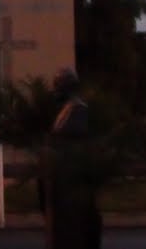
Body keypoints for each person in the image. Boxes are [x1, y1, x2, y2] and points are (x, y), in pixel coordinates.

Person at [43, 67, 102, 249]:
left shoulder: (78, 111)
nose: (55, 92)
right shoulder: (66, 111)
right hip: (62, 190)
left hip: (71, 191)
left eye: (57, 87)